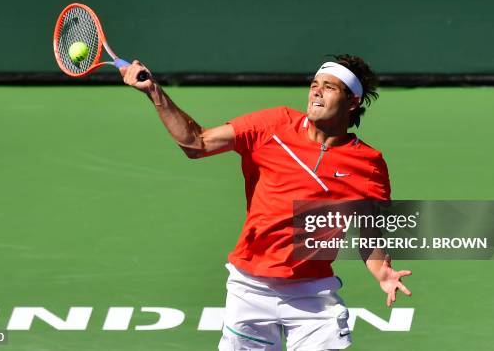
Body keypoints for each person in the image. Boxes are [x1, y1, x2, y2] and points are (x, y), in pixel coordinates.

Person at [120, 54, 412, 350]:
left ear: (353, 102)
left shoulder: (369, 163)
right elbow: (198, 143)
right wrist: (154, 91)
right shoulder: (273, 124)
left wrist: (381, 270)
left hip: (312, 293)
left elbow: (369, 231)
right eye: (314, 84)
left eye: (329, 87)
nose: (316, 92)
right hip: (250, 289)